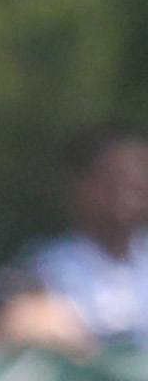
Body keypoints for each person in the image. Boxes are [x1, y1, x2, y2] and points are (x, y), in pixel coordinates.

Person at [16, 127, 148, 355]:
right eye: (115, 179)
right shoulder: (47, 268)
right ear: (81, 186)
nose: (130, 192)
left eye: (139, 179)